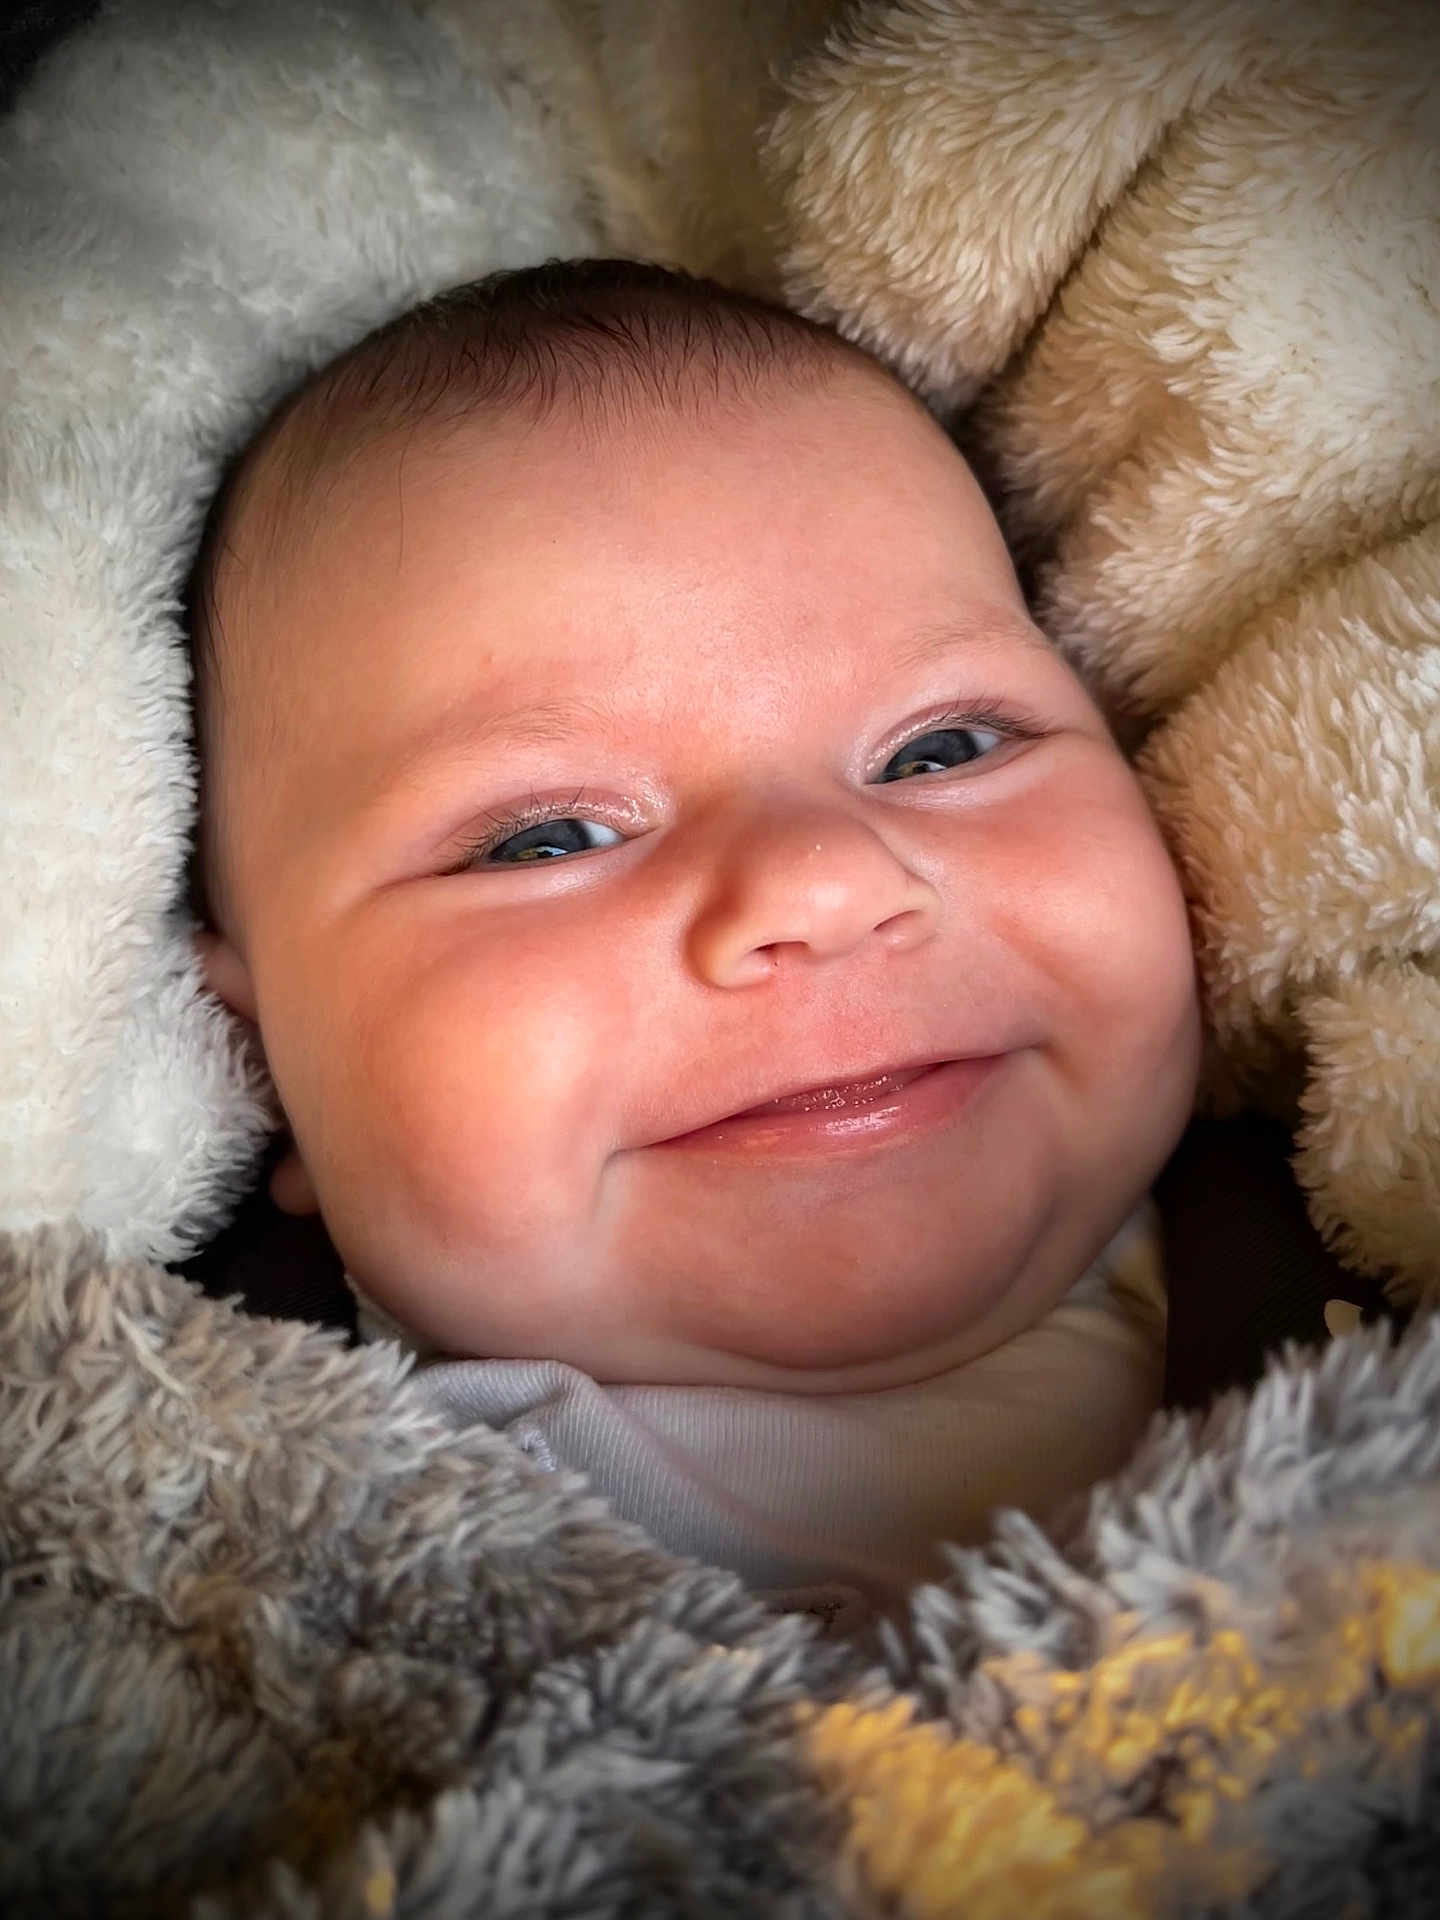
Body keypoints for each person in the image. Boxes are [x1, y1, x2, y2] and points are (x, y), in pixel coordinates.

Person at [188, 259, 1201, 1614]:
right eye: (550, 839)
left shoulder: (1351, 1262)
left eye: (943, 747)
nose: (823, 882)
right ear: (250, 1059)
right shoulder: (242, 1555)